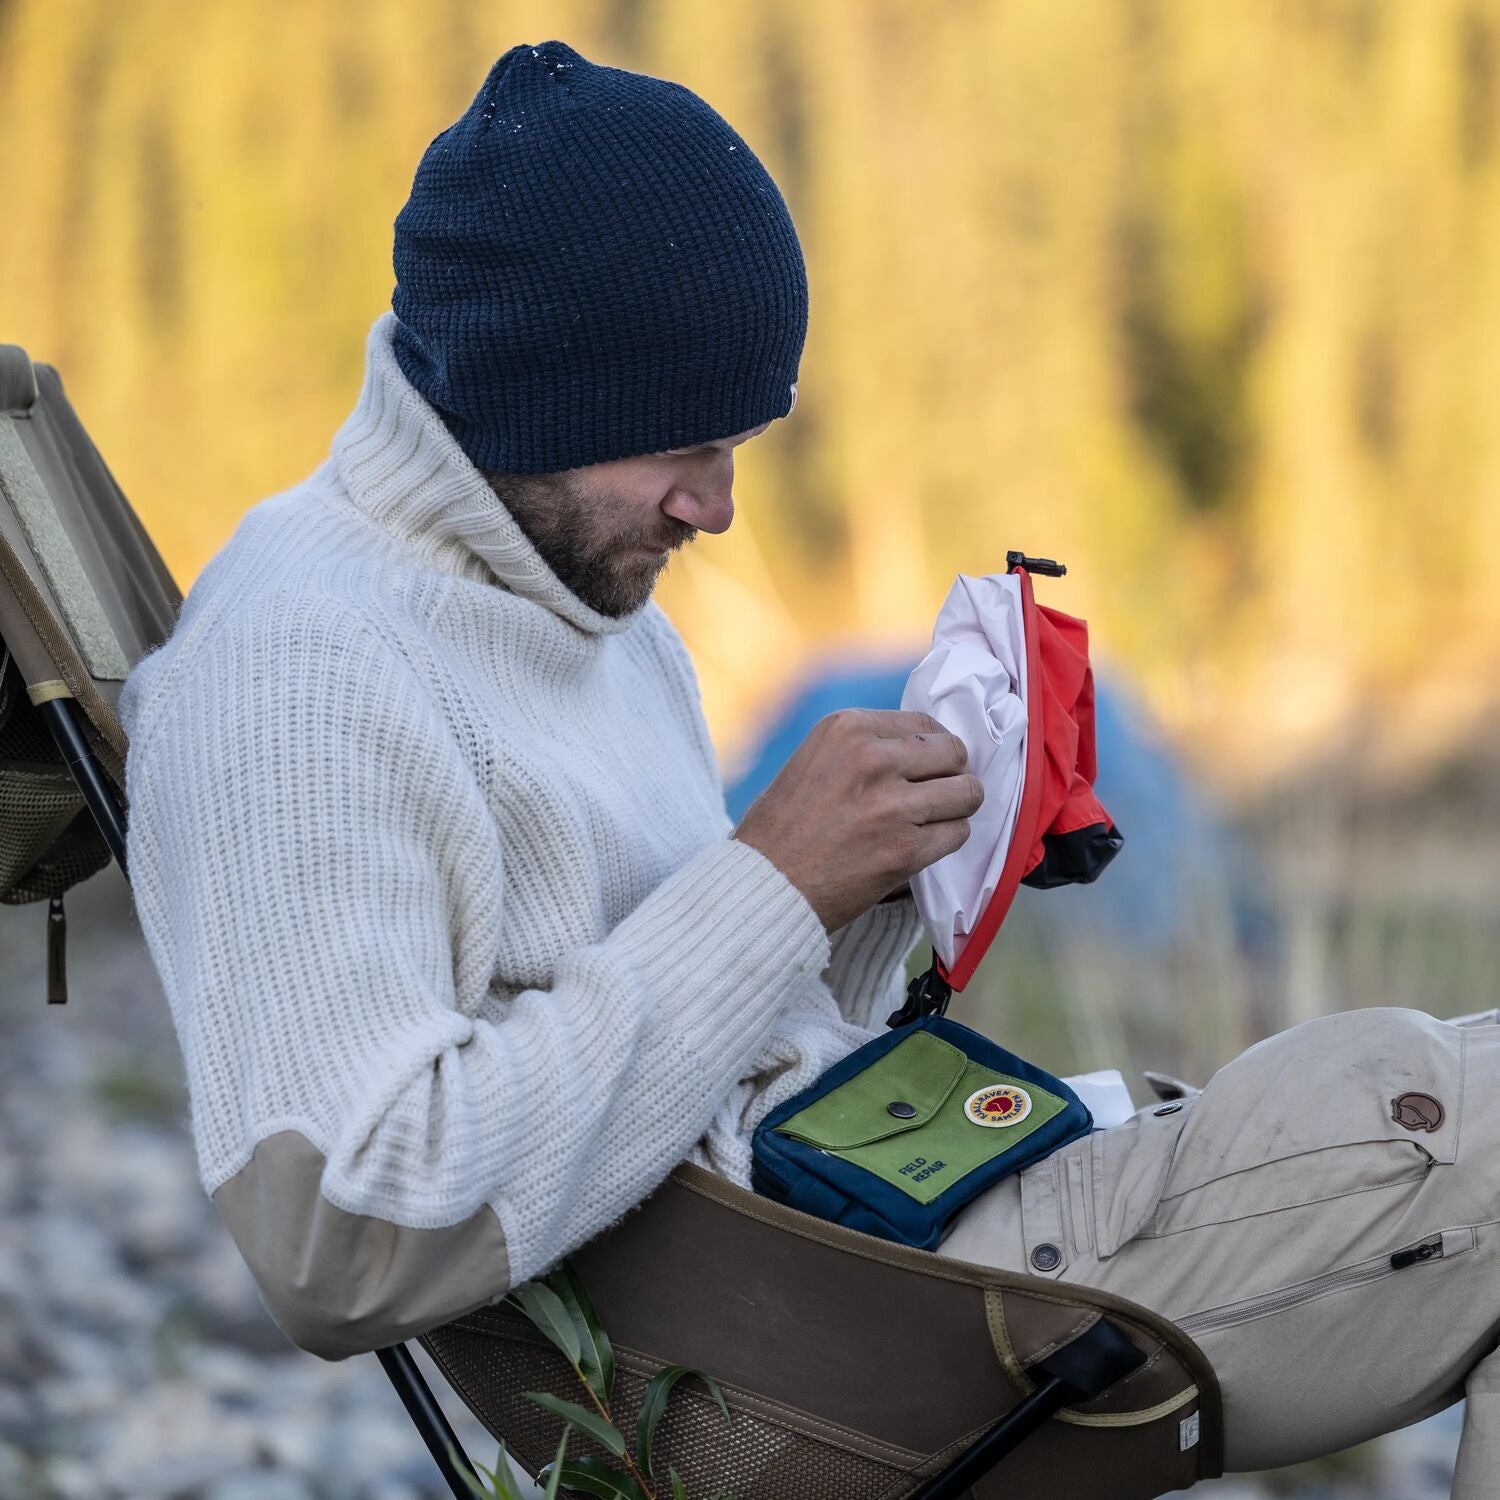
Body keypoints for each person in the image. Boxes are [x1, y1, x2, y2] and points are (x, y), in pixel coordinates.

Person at [118, 39, 1500, 1493]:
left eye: (741, 442)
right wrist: (773, 879)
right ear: (534, 390)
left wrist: (883, 883)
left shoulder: (574, 595)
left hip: (901, 1221)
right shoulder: (298, 666)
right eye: (683, 443)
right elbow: (350, 1234)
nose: (715, 506)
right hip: (881, 1327)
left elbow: (727, 1053)